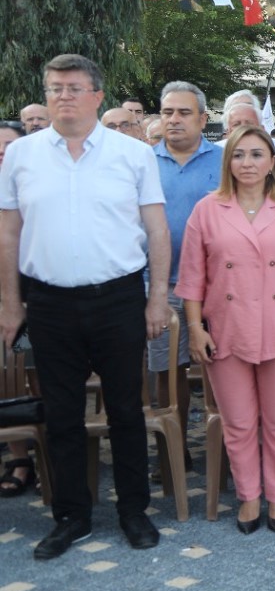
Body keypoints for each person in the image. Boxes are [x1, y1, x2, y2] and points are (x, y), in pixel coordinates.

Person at [0, 54, 172, 559]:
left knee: (125, 410)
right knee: (62, 415)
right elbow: (8, 234)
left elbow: (157, 230)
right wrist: (10, 303)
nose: (63, 96)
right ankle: (71, 516)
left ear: (97, 95)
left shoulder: (132, 154)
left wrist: (157, 299)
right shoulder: (22, 154)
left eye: (74, 88)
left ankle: (133, 511)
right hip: (48, 301)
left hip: (117, 298)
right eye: (54, 88)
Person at [178, 126, 275, 532]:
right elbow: (192, 278)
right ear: (228, 162)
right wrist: (195, 328)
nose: (247, 163)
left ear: (272, 162)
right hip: (226, 330)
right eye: (239, 154)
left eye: (257, 154)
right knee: (239, 423)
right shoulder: (207, 210)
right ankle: (248, 496)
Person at [151, 82, 224, 447]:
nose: (174, 119)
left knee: (224, 369)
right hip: (162, 286)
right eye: (168, 112)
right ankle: (174, 454)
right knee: (168, 372)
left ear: (203, 119)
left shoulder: (225, 160)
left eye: (184, 112)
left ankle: (227, 451)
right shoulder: (142, 163)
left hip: (219, 287)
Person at [0, 121, 36, 498]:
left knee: (33, 374)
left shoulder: (32, 190)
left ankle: (44, 455)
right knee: (3, 379)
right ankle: (18, 457)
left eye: (8, 147)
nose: (2, 155)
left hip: (29, 303)